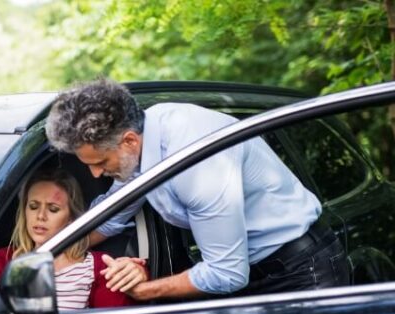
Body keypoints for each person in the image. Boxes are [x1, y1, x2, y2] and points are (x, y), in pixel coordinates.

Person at [45, 78, 350, 300]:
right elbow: (110, 216)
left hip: (301, 274)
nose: (96, 173)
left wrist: (145, 289)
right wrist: (43, 254)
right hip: (248, 274)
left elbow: (226, 273)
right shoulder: (138, 145)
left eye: (100, 162)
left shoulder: (195, 159)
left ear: (129, 141)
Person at [0, 168, 146, 309]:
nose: (40, 216)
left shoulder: (98, 267)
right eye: (33, 206)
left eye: (53, 209)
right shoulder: (4, 260)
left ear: (71, 218)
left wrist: (139, 273)